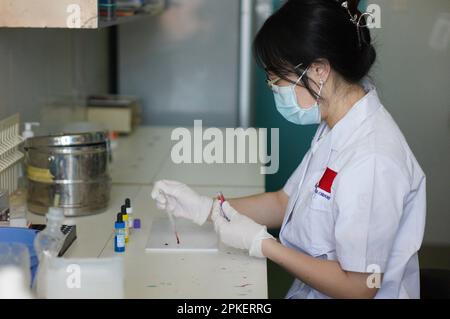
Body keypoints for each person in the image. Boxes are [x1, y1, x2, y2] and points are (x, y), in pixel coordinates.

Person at [151, 0, 426, 299]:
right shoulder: (338, 124)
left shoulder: (372, 159)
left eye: (278, 78)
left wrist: (263, 245)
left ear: (319, 70)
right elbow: (285, 203)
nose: (274, 88)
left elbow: (360, 288)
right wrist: (207, 208)